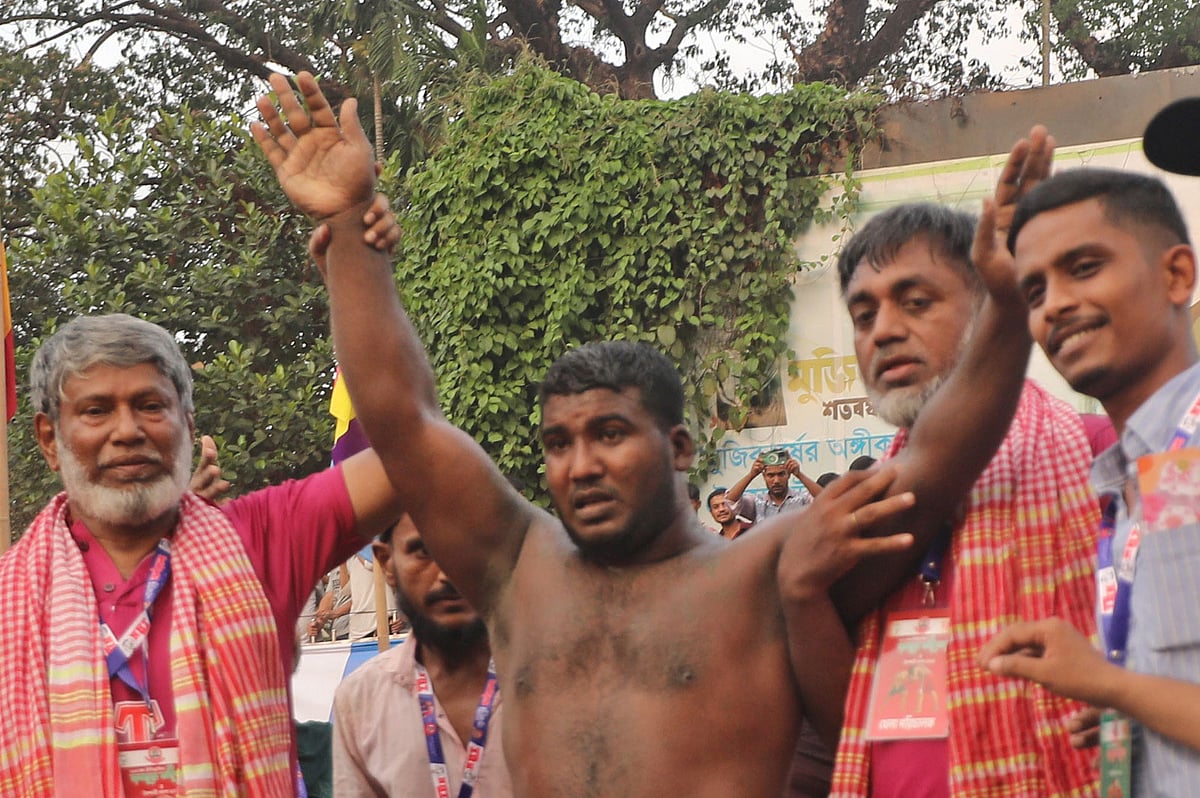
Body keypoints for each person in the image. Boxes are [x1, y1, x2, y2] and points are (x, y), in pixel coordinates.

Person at [252, 70, 957, 797]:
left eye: (611, 434)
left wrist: (998, 310)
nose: (581, 466)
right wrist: (348, 223)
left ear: (679, 448)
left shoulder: (767, 573)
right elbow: (403, 421)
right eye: (559, 445)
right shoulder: (519, 567)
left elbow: (938, 463)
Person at [784, 138, 1101, 798]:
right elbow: (850, 733)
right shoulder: (854, 509)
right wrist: (801, 594)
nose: (884, 331)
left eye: (916, 301)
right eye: (863, 314)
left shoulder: (1099, 457)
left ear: (989, 304)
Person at [0, 293, 400, 791]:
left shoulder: (260, 538)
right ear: (48, 439)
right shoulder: (9, 599)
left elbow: (413, 446)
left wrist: (350, 249)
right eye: (96, 410)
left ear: (188, 426)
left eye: (150, 406)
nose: (127, 431)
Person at [978, 156, 1200, 794]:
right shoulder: (1134, 476)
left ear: (1176, 274)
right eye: (1035, 292)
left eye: (1084, 268)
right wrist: (1134, 704)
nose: (1057, 307)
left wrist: (1108, 682)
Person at [333, 515, 513, 797]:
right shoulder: (361, 700)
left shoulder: (561, 682)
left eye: (469, 547)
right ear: (386, 562)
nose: (448, 574)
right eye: (425, 552)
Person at [724, 452, 816, 520]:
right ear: (764, 476)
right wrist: (751, 475)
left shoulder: (803, 499)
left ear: (789, 474)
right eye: (771, 475)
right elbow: (730, 500)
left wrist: (799, 474)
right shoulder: (757, 503)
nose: (776, 481)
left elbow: (826, 499)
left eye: (781, 474)